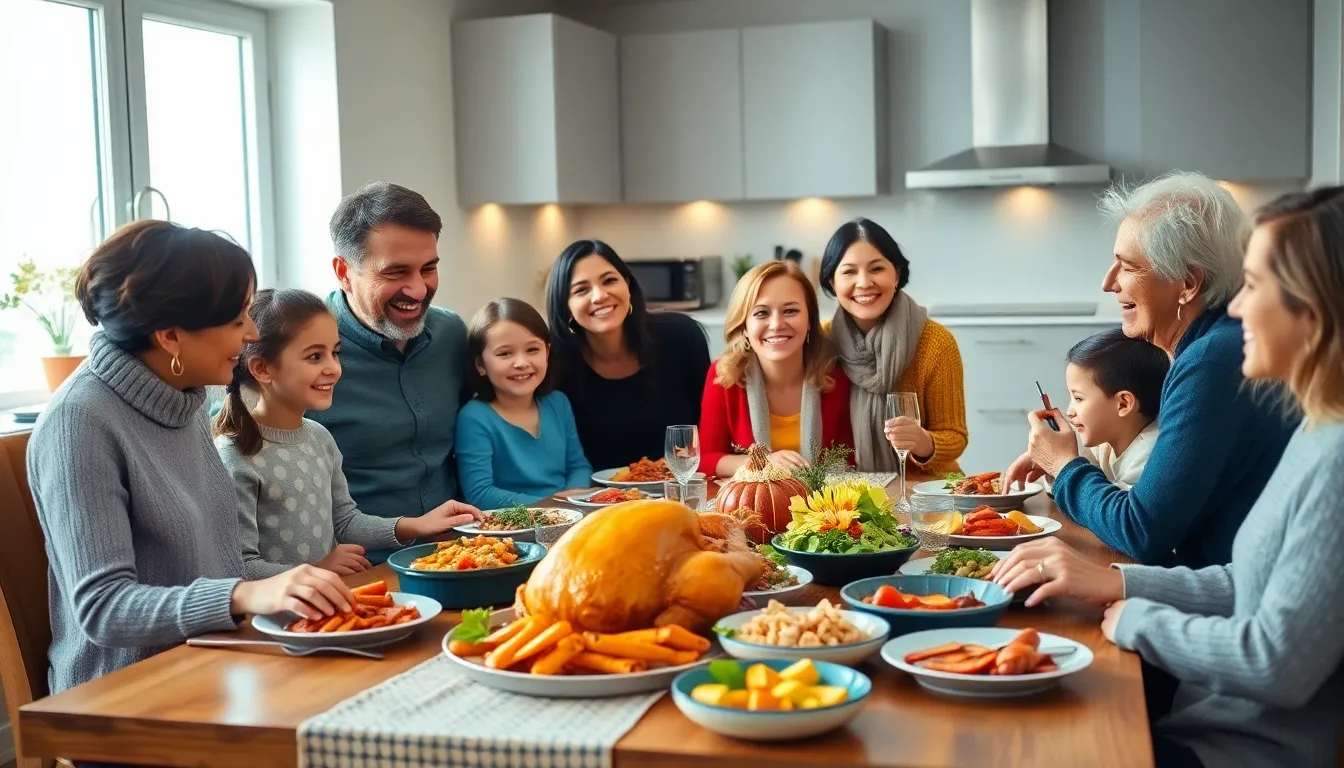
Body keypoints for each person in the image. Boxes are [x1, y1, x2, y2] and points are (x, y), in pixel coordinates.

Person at [993, 186, 1344, 768]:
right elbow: (1247, 581)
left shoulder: (1321, 447)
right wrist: (1122, 586)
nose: (1235, 309)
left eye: (1254, 287)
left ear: (1313, 305)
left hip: (1236, 747)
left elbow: (1274, 662)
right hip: (1205, 709)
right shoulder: (1318, 431)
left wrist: (1139, 617)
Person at [27, 220, 356, 696]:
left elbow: (220, 564)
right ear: (170, 337)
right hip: (127, 693)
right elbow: (104, 608)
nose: (252, 333)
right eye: (236, 318)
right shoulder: (78, 422)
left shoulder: (183, 399)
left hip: (215, 659)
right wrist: (246, 593)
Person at [1004, 172, 1295, 567]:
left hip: (1228, 595)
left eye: (1127, 266)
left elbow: (1141, 531)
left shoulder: (1211, 360)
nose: (1108, 283)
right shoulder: (1218, 344)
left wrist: (1064, 465)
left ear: (1188, 283)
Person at [214, 289, 482, 580]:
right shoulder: (234, 454)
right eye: (315, 356)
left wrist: (418, 524)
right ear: (262, 369)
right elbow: (240, 567)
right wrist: (317, 571)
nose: (333, 368)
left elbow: (346, 522)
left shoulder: (319, 438)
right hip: (271, 620)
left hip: (326, 605)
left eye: (335, 353)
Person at [309, 182, 471, 543]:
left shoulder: (452, 335)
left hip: (462, 551)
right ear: (343, 272)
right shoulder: (298, 353)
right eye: (396, 273)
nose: (417, 290)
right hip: (361, 568)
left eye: (428, 268)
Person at [546, 240, 710, 472]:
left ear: (628, 285)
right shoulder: (553, 363)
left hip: (680, 486)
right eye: (581, 290)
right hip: (598, 499)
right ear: (566, 306)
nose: (600, 296)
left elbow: (710, 428)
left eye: (609, 280)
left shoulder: (682, 337)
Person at [820, 218, 967, 478]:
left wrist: (922, 441)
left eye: (876, 269)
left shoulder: (935, 342)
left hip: (923, 488)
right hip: (843, 495)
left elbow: (954, 436)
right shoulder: (821, 342)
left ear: (896, 275)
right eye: (849, 272)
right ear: (832, 282)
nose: (864, 283)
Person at [699, 261, 853, 476]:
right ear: (744, 326)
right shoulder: (723, 375)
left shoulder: (837, 375)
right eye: (761, 313)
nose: (776, 324)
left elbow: (851, 460)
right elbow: (706, 460)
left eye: (790, 311)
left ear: (809, 320)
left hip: (824, 503)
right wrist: (761, 463)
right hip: (750, 504)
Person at [455, 299, 593, 509]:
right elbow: (480, 492)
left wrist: (572, 501)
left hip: (570, 514)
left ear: (547, 352)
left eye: (532, 350)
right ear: (481, 364)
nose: (521, 363)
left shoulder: (558, 403)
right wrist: (553, 505)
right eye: (505, 353)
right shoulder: (474, 417)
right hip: (512, 525)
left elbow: (578, 466)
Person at [1028, 328, 1169, 492]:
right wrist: (1052, 462)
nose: (1069, 411)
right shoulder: (1104, 444)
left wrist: (1061, 465)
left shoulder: (1150, 456)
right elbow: (1083, 488)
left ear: (1123, 404)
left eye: (1078, 399)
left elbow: (1108, 507)